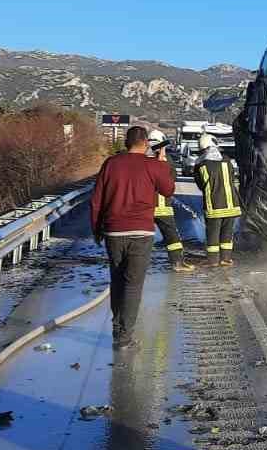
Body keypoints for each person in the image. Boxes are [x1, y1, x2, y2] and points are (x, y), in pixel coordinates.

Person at [90, 125, 176, 348]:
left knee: (117, 280)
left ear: (126, 143)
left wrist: (96, 229)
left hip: (114, 231)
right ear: (146, 143)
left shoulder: (110, 164)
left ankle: (117, 327)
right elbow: (168, 190)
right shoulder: (153, 165)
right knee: (133, 284)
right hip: (141, 232)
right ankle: (124, 336)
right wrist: (162, 162)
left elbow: (96, 200)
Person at [146, 130, 195, 273]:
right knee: (172, 236)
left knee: (140, 236)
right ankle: (177, 263)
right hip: (161, 205)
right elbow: (171, 179)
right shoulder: (166, 160)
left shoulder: (141, 160)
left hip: (143, 206)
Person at [192, 133, 241, 267]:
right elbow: (232, 178)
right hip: (232, 205)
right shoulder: (227, 161)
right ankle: (226, 259)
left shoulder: (200, 165)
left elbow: (200, 185)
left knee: (213, 234)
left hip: (214, 206)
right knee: (227, 234)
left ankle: (213, 261)